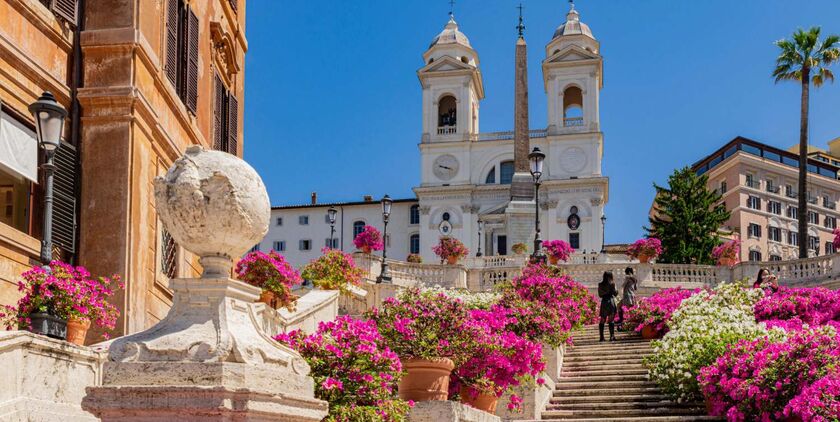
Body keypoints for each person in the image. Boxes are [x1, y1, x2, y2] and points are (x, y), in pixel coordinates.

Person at [598, 271, 618, 342]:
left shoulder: (600, 284)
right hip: (610, 301)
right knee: (611, 319)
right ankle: (612, 336)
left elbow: (600, 295)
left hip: (604, 302)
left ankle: (601, 337)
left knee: (602, 319)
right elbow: (615, 293)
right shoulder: (612, 284)